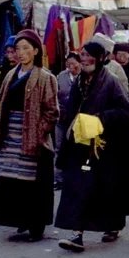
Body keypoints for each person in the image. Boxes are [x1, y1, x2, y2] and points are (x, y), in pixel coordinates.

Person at [55, 41, 129, 252]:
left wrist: (99, 119)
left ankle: (113, 226)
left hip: (105, 146)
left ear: (100, 58)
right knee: (78, 187)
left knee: (107, 189)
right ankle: (77, 234)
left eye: (88, 55)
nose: (83, 59)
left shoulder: (111, 82)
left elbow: (126, 113)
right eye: (81, 55)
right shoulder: (78, 82)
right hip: (80, 145)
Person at [0, 29, 59, 241]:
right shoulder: (10, 75)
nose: (20, 53)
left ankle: (36, 225)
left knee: (32, 182)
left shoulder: (46, 77)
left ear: (36, 51)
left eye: (26, 48)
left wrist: (38, 131)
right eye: (17, 49)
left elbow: (52, 111)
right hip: (11, 132)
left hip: (32, 134)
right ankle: (18, 220)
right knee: (11, 179)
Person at [54, 52, 81, 188]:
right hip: (62, 117)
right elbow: (55, 96)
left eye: (73, 63)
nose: (71, 67)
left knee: (76, 149)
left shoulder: (84, 77)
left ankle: (75, 178)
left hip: (78, 120)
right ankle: (59, 178)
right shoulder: (61, 77)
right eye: (68, 64)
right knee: (59, 147)